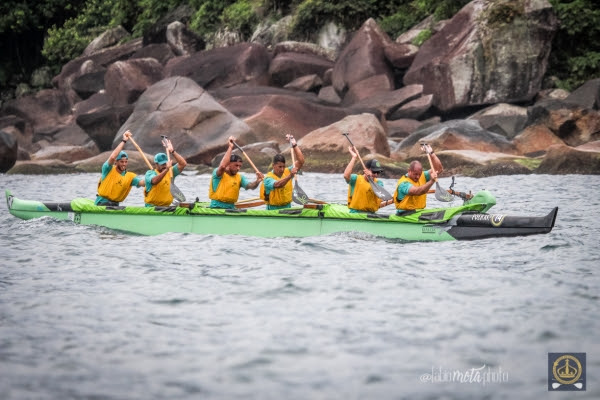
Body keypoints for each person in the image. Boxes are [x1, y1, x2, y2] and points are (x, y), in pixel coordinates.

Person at [209, 136, 264, 209]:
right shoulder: (218, 173)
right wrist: (230, 147)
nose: (238, 168)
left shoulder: (239, 177)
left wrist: (257, 181)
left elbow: (250, 186)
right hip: (216, 207)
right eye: (236, 165)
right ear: (228, 164)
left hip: (231, 208)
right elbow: (222, 166)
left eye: (240, 166)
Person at [95, 130, 144, 206]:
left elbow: (143, 183)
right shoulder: (108, 169)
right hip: (102, 203)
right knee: (107, 204)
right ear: (116, 162)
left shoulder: (130, 177)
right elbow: (112, 157)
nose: (124, 164)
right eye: (121, 162)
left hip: (115, 205)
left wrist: (151, 180)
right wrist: (124, 141)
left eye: (126, 162)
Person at [260, 135, 305, 210]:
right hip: (273, 210)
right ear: (273, 166)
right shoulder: (268, 178)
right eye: (280, 167)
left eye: (283, 166)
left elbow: (301, 161)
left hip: (287, 208)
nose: (282, 169)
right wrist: (291, 175)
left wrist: (294, 145)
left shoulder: (287, 171)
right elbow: (278, 184)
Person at [394, 144, 443, 212]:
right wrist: (431, 181)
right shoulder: (404, 183)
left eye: (419, 174)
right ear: (409, 171)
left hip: (419, 213)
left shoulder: (422, 175)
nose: (417, 177)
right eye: (415, 174)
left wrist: (432, 154)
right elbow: (418, 191)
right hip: (405, 215)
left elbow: (438, 169)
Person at [144, 137, 187, 207]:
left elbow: (183, 164)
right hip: (152, 208)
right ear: (156, 164)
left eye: (165, 163)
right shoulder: (150, 173)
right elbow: (154, 181)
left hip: (166, 207)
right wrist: (166, 169)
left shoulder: (170, 172)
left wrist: (172, 151)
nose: (164, 166)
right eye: (162, 164)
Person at [343, 146, 386, 213]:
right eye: (374, 172)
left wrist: (371, 176)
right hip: (356, 213)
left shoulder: (379, 183)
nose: (376, 175)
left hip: (371, 214)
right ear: (366, 170)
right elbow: (346, 176)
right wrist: (354, 157)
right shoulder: (355, 179)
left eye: (378, 172)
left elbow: (382, 195)